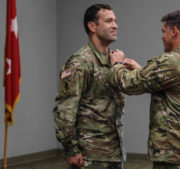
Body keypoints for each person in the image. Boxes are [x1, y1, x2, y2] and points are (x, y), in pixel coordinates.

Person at [109, 10, 180, 169]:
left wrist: (116, 64)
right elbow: (173, 86)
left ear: (174, 32)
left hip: (175, 152)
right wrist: (141, 70)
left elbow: (128, 84)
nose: (162, 36)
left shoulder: (172, 61)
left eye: (164, 31)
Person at [53, 4, 125, 169]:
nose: (115, 25)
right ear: (92, 26)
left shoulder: (113, 61)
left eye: (115, 20)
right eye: (109, 21)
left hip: (113, 153)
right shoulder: (79, 63)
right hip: (90, 157)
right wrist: (71, 150)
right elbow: (64, 111)